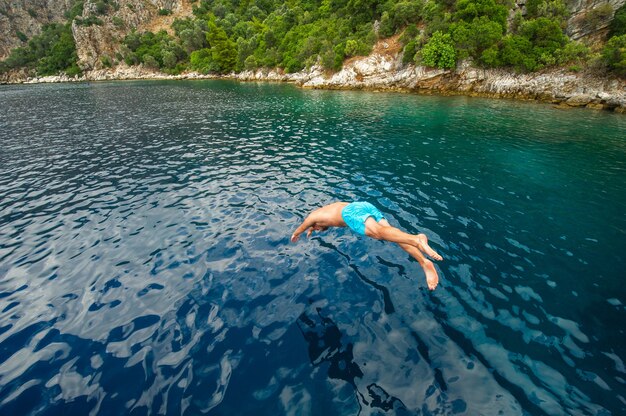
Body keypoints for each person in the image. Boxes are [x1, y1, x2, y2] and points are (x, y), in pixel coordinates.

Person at [291, 202, 443, 290]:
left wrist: (296, 234)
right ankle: (424, 262)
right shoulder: (321, 213)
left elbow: (305, 224)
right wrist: (311, 229)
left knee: (377, 233)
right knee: (391, 234)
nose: (317, 229)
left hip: (351, 213)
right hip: (363, 205)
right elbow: (312, 224)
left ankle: (417, 239)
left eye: (316, 228)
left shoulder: (312, 217)